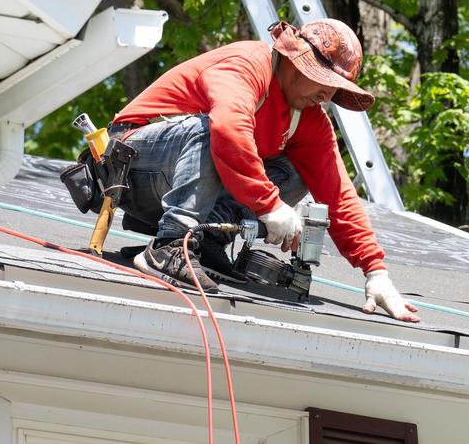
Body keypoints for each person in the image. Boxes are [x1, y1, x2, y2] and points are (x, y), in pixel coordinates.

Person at [109, 18, 419, 323]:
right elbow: (229, 130)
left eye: (335, 90)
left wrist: (375, 271)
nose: (328, 97)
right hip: (129, 164)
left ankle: (205, 243)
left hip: (175, 184)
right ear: (297, 61)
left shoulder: (308, 119)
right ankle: (170, 244)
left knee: (300, 170)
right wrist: (269, 205)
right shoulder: (247, 64)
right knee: (214, 129)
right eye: (326, 82)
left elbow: (338, 194)